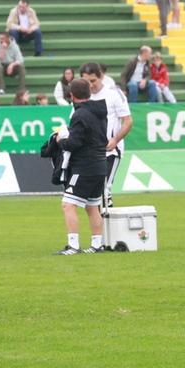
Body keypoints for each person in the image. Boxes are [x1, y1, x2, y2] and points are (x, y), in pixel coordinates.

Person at [54, 78, 110, 255]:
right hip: (101, 164)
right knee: (92, 206)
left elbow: (74, 143)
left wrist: (61, 140)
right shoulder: (100, 111)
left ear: (71, 95)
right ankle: (96, 244)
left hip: (85, 166)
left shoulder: (79, 115)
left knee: (68, 204)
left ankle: (73, 246)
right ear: (89, 92)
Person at [80, 61, 133, 207]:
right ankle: (99, 229)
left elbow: (128, 121)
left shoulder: (114, 94)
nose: (90, 85)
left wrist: (115, 140)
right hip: (90, 151)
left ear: (101, 77)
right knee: (92, 194)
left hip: (110, 150)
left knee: (104, 189)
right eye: (86, 81)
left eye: (93, 81)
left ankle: (108, 227)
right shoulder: (82, 96)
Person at [0, 31, 25, 95]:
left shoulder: (14, 46)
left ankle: (22, 89)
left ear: (7, 38)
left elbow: (20, 59)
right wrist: (2, 49)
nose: (0, 40)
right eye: (0, 38)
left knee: (21, 66)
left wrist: (12, 65)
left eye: (2, 38)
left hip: (11, 66)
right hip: (1, 66)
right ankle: (1, 89)